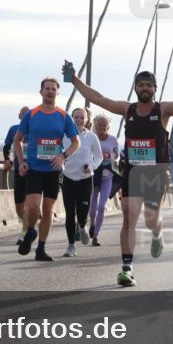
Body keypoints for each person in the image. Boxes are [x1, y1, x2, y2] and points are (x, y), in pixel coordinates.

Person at [66, 66, 173, 287]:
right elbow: (98, 98)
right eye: (141, 85)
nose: (145, 88)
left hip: (157, 174)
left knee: (150, 219)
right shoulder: (127, 109)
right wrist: (74, 79)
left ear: (155, 89)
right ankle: (127, 268)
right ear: (135, 88)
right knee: (129, 217)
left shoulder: (163, 110)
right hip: (132, 172)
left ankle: (157, 234)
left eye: (149, 85)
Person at [13, 77, 81, 262]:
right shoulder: (32, 114)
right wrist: (21, 162)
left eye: (53, 89)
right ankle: (30, 231)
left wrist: (63, 156)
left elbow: (76, 141)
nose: (50, 92)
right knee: (33, 205)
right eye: (47, 89)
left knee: (48, 209)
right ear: (41, 91)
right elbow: (17, 140)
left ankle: (41, 249)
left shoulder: (63, 116)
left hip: (53, 169)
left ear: (57, 93)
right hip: (34, 167)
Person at [60, 108, 103, 257]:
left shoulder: (91, 137)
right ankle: (71, 246)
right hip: (68, 178)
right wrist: (60, 162)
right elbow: (57, 151)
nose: (79, 119)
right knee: (70, 213)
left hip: (85, 179)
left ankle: (83, 226)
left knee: (82, 211)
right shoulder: (64, 136)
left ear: (87, 120)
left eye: (81, 117)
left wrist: (91, 166)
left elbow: (99, 157)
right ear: (72, 118)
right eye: (76, 117)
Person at [88, 114, 119, 245]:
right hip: (94, 175)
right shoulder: (91, 138)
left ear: (108, 126)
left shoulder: (112, 139)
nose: (102, 127)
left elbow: (116, 155)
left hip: (108, 175)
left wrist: (116, 161)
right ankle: (92, 223)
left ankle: (95, 236)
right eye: (99, 125)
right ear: (95, 125)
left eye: (104, 125)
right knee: (92, 206)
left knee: (101, 207)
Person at [3, 106, 30, 243]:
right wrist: (7, 160)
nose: (25, 116)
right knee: (19, 205)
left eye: (28, 114)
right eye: (23, 113)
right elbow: (6, 147)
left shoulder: (36, 130)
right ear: (19, 116)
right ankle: (29, 226)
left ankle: (25, 233)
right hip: (19, 170)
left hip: (33, 171)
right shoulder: (14, 129)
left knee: (29, 203)